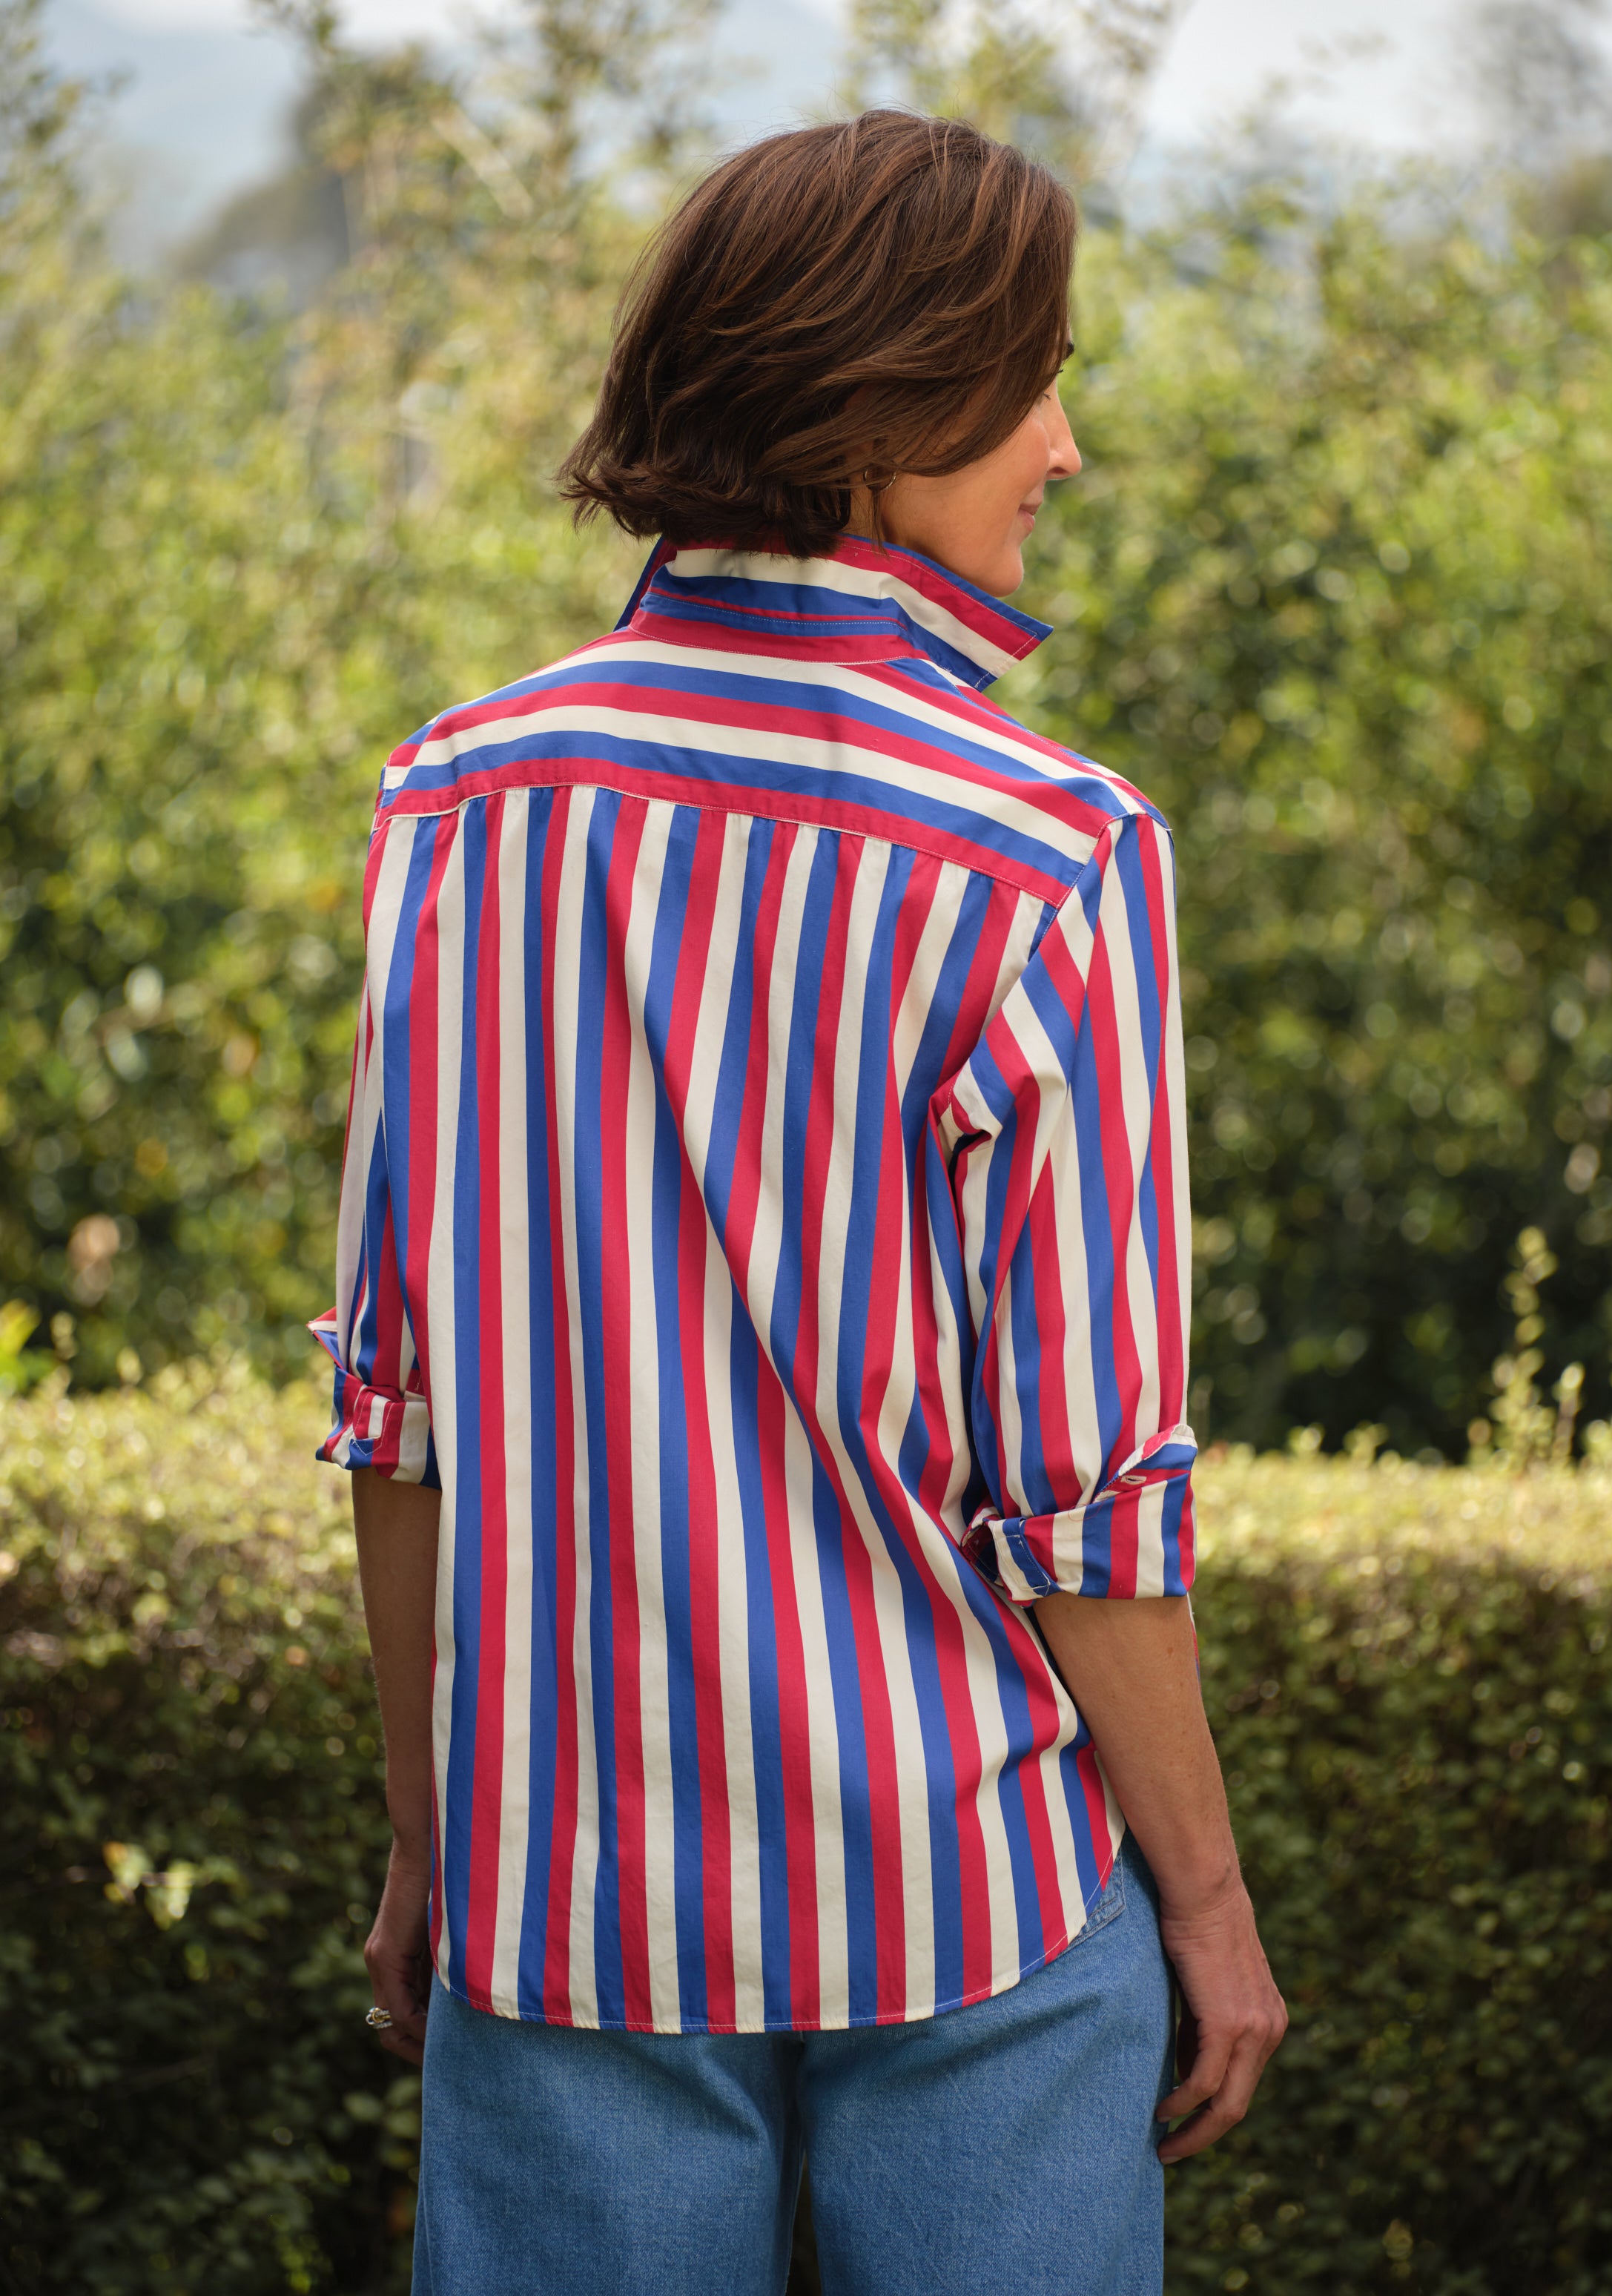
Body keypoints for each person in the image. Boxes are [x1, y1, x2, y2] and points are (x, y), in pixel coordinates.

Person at [314, 107, 1285, 2296]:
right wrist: (1206, 1912)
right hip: (975, 1912)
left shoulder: (456, 804)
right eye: (1035, 377)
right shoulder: (1045, 853)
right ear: (888, 404)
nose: (1063, 448)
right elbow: (1088, 1489)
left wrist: (432, 1836)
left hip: (558, 1915)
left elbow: (400, 1412)